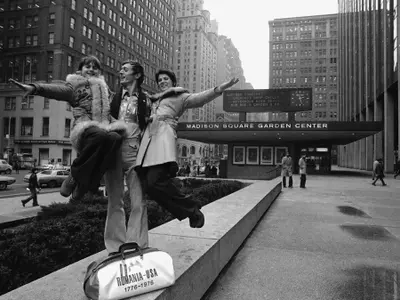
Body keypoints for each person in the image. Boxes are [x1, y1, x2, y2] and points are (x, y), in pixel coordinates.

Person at [9, 55, 127, 200]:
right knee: (100, 135)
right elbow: (58, 90)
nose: (91, 69)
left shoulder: (105, 89)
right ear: (80, 70)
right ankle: (74, 175)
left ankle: (87, 186)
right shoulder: (76, 85)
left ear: (99, 71)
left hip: (104, 128)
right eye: (87, 66)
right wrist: (35, 88)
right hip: (85, 128)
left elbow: (119, 102)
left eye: (95, 67)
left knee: (115, 138)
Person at [135, 68, 239, 228]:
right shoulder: (153, 100)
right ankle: (190, 207)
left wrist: (220, 88)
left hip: (163, 138)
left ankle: (192, 209)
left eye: (166, 79)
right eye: (160, 80)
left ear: (173, 82)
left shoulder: (180, 96)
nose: (162, 82)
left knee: (154, 181)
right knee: (149, 185)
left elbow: (200, 98)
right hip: (148, 140)